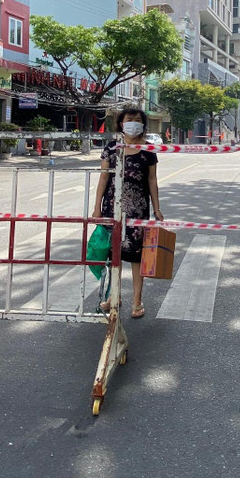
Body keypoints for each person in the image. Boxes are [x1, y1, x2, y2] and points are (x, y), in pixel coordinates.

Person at [92, 107, 163, 319]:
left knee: (136, 257)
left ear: (142, 125)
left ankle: (137, 301)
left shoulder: (148, 150)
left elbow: (152, 180)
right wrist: (97, 207)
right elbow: (104, 177)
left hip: (138, 209)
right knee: (113, 254)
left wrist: (157, 208)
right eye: (129, 119)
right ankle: (115, 296)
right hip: (112, 208)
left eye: (137, 120)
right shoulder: (111, 148)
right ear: (121, 123)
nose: (133, 123)